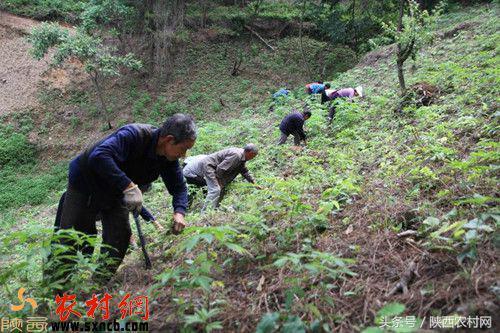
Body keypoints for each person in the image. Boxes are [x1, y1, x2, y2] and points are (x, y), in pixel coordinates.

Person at [46, 113, 197, 286]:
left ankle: (96, 284)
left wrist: (179, 212)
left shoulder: (167, 159)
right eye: (184, 149)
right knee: (72, 238)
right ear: (169, 140)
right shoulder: (134, 135)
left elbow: (178, 187)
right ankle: (55, 292)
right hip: (86, 183)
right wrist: (129, 186)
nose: (184, 155)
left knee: (120, 235)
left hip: (115, 191)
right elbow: (99, 156)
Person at [183, 144, 259, 211]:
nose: (253, 158)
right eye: (254, 155)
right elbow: (221, 169)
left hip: (207, 168)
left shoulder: (242, 155)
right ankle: (206, 213)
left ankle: (214, 208)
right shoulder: (236, 155)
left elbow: (243, 170)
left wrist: (254, 183)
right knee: (215, 189)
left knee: (220, 188)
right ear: (250, 153)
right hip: (208, 167)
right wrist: (218, 182)